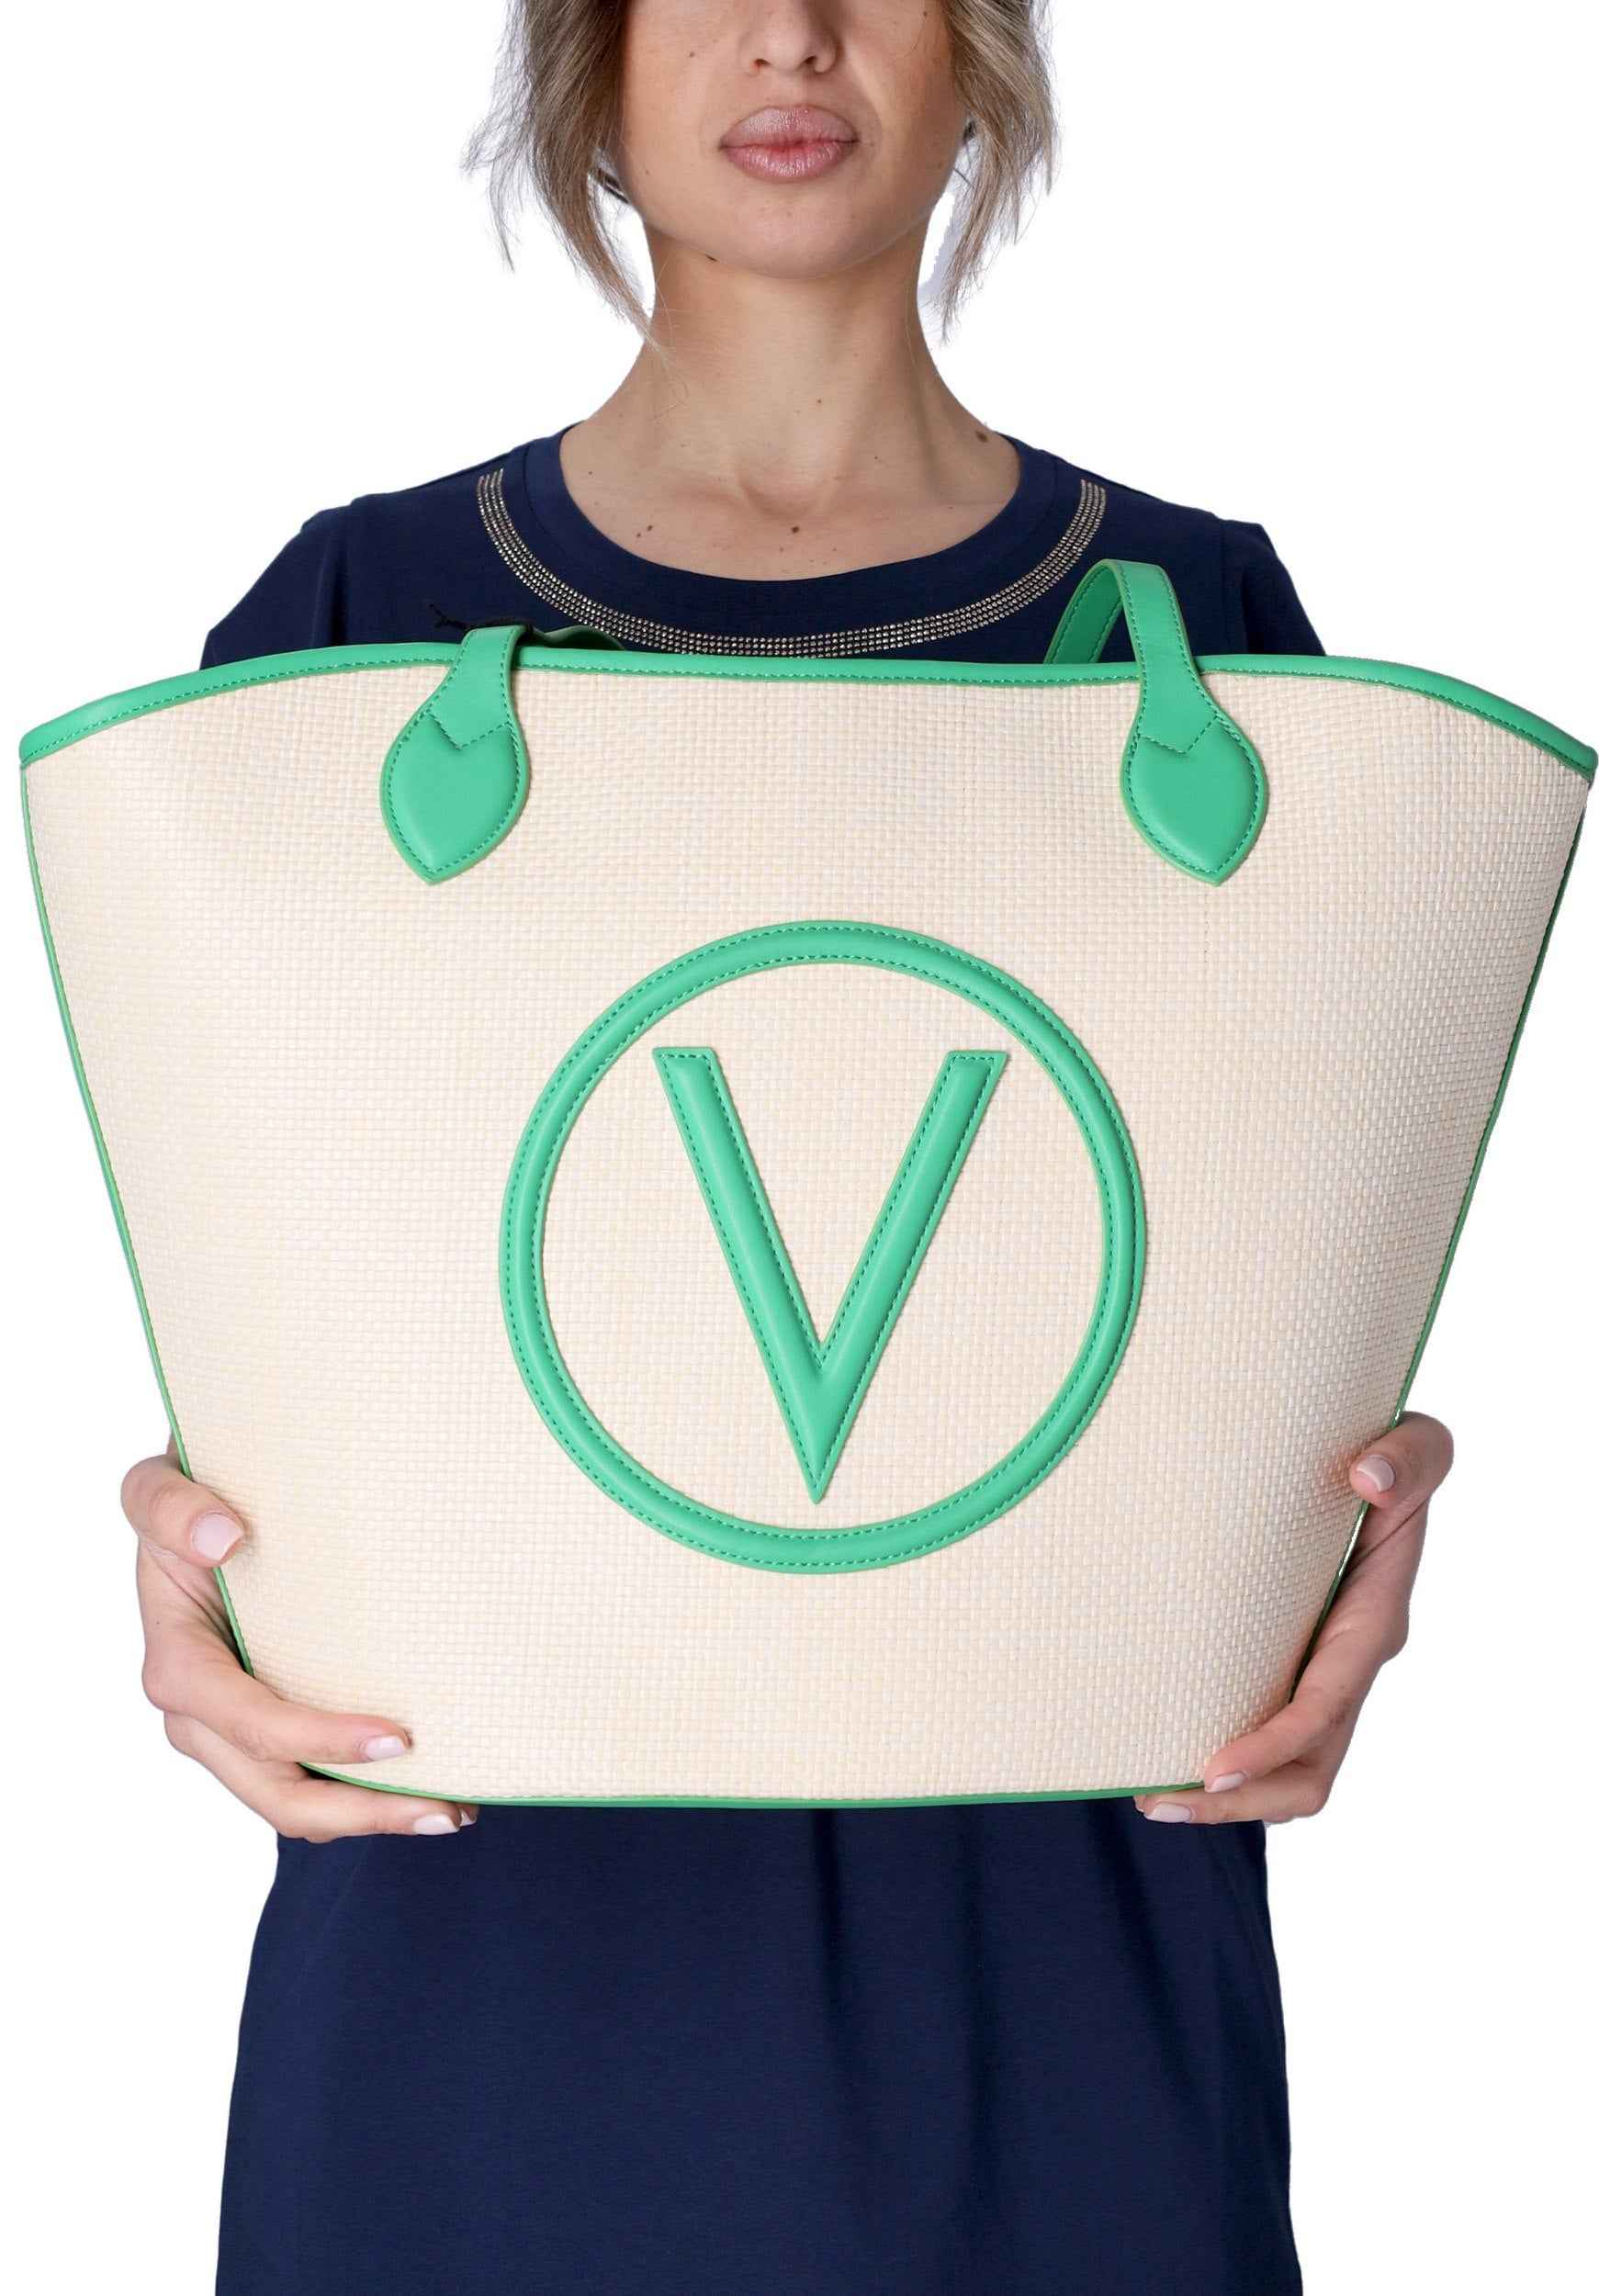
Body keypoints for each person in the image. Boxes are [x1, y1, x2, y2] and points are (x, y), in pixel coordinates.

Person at [118, 4, 1454, 2289]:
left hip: (1047, 1964)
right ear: (591, 59)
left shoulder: (1202, 646)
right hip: (487, 1954)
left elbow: (1273, 1298)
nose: (791, 33)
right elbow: (271, 1305)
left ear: (977, 55)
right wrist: (184, 1551)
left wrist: (1367, 1509)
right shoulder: (353, 625)